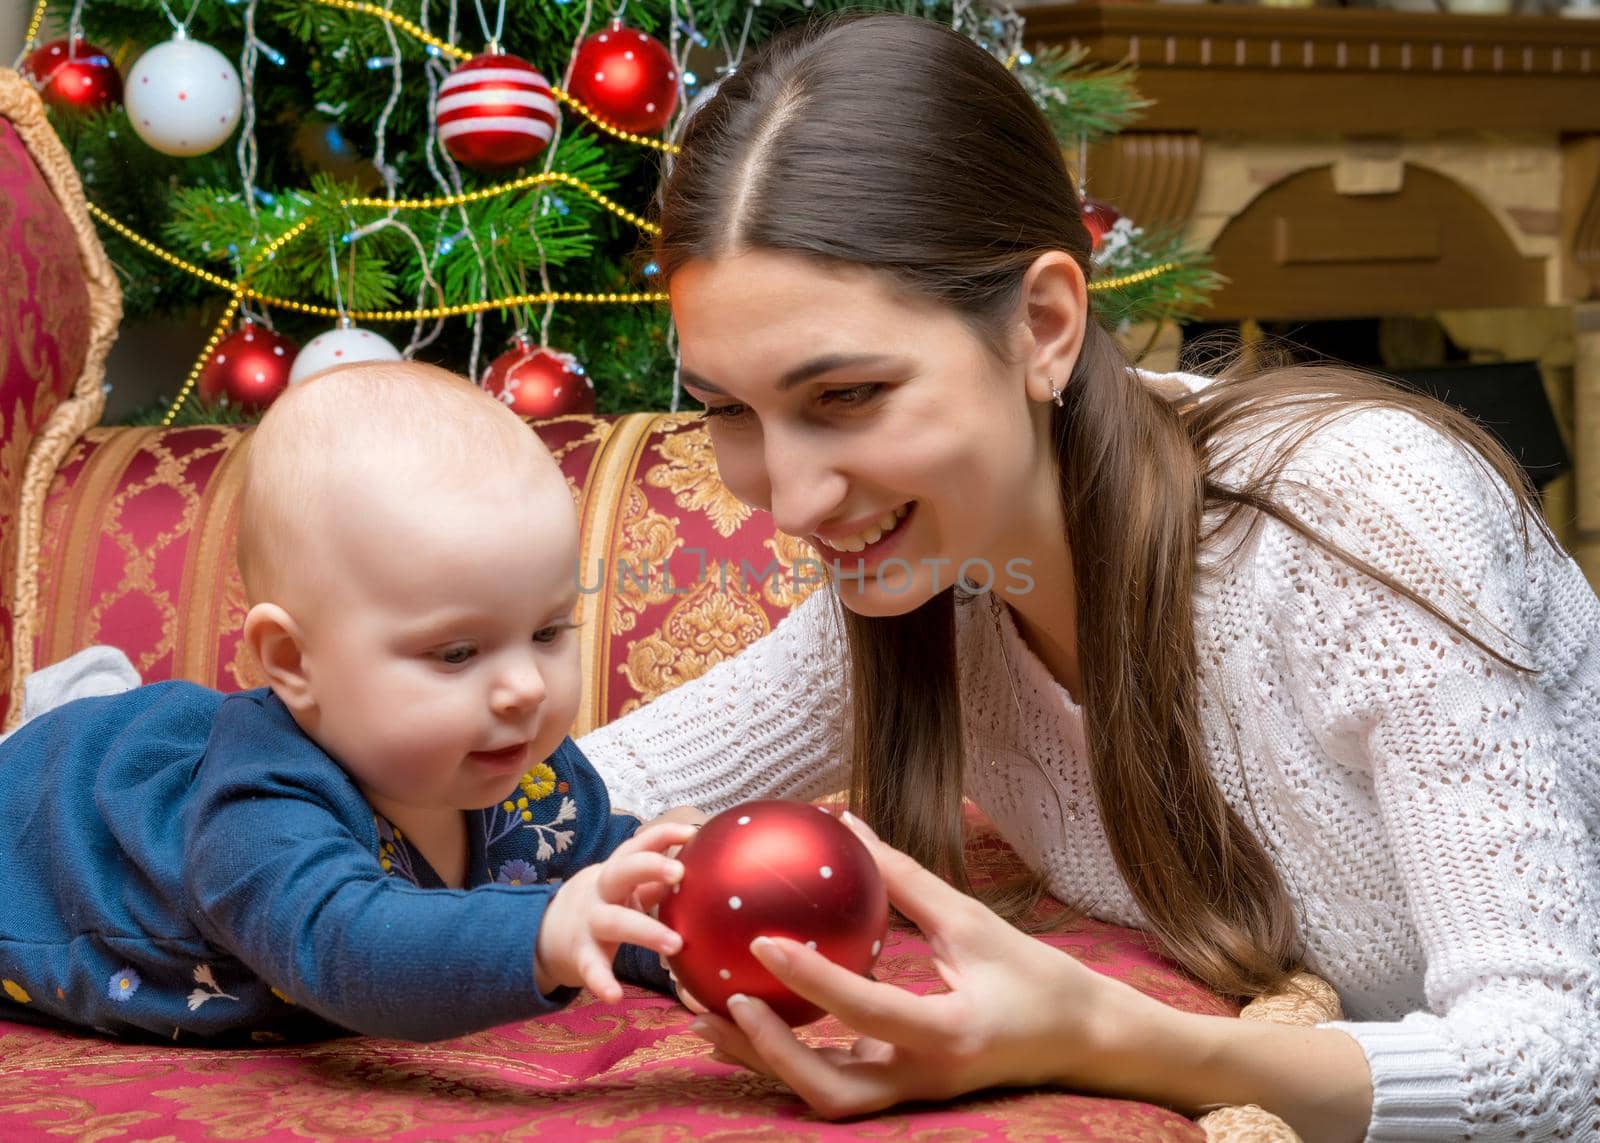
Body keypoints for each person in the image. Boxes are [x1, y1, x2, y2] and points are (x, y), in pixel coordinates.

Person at [577, 13, 1600, 1141]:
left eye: (848, 396)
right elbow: (575, 801)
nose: (793, 498)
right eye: (730, 409)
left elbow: (1560, 1069)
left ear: (1045, 325)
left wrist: (1098, 1039)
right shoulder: (946, 578)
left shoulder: (1364, 509)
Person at [0, 361, 693, 1043]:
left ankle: (90, 690)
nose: (527, 687)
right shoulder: (259, 811)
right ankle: (66, 703)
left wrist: (671, 926)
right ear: (294, 660)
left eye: (546, 631)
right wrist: (545, 931)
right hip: (43, 821)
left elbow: (598, 881)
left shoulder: (526, 766)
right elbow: (349, 946)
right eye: (457, 652)